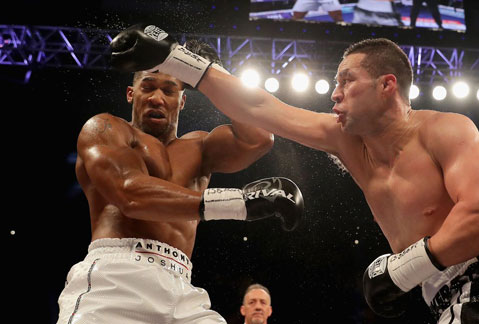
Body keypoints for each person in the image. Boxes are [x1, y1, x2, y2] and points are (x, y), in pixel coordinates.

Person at [110, 24, 479, 323]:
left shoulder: (445, 130)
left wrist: (402, 271)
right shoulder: (346, 141)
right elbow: (260, 107)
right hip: (449, 299)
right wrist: (175, 59)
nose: (335, 91)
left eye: (347, 80)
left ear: (388, 85)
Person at [56, 36, 304, 324]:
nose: (157, 97)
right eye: (147, 87)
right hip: (116, 279)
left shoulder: (201, 147)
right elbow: (130, 194)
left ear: (183, 100)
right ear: (130, 94)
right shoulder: (105, 129)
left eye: (168, 90)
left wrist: (208, 73)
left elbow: (260, 137)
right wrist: (237, 203)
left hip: (182, 287)